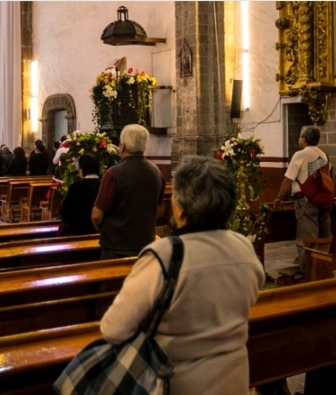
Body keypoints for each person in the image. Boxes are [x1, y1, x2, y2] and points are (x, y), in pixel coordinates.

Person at [100, 155, 265, 394]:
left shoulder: (164, 255)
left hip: (178, 384)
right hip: (234, 379)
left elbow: (113, 328)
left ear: (180, 206)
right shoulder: (243, 247)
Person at [92, 124, 165, 259]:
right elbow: (158, 207)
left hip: (117, 247)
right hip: (146, 244)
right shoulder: (156, 172)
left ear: (122, 146)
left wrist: (103, 229)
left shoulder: (113, 174)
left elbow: (97, 215)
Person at [273, 125, 331, 278]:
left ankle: (309, 274)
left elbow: (288, 180)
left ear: (304, 139)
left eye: (300, 136)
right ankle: (322, 270)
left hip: (306, 201)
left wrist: (279, 197)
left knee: (306, 239)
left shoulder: (300, 155)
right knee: (323, 238)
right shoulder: (324, 155)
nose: (299, 138)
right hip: (322, 200)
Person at [59, 154, 101, 236]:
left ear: (82, 170)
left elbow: (65, 212)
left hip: (78, 232)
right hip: (99, 232)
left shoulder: (75, 187)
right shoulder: (103, 184)